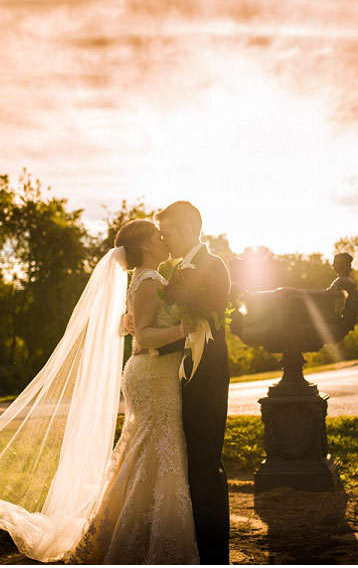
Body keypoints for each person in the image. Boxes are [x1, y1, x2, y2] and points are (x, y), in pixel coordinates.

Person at [0, 219, 200, 564]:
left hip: (152, 376)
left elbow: (131, 324)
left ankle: (125, 532)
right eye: (158, 237)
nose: (164, 241)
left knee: (143, 454)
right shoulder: (147, 280)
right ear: (145, 246)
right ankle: (144, 541)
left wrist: (138, 322)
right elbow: (143, 337)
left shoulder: (147, 280)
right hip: (151, 377)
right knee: (156, 451)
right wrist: (183, 328)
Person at [154, 201, 231, 565]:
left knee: (206, 464)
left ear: (187, 229)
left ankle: (215, 556)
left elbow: (201, 321)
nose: (163, 240)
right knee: (188, 465)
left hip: (207, 380)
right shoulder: (176, 270)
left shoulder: (212, 266)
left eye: (167, 232)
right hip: (181, 378)